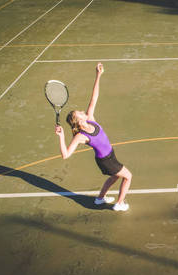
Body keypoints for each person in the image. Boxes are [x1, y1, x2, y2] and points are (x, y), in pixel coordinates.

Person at [55, 62, 132, 211]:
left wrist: (98, 75)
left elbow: (94, 96)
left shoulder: (90, 118)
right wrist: (61, 136)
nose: (84, 112)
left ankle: (99, 199)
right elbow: (65, 155)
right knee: (128, 176)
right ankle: (119, 203)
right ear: (80, 121)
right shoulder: (80, 136)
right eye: (80, 114)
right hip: (106, 160)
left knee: (114, 177)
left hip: (110, 155)